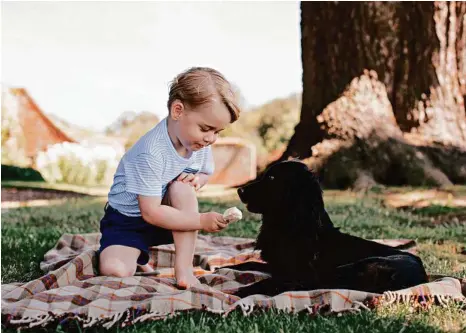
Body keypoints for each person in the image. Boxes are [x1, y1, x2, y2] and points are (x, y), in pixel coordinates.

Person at [98, 67, 241, 288]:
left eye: (217, 132)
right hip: (128, 221)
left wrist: (197, 181)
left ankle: (184, 271)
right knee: (115, 271)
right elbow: (150, 212)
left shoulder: (197, 142)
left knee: (182, 188)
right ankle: (135, 254)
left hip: (168, 217)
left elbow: (203, 173)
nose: (211, 138)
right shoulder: (151, 152)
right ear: (177, 110)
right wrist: (201, 220)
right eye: (206, 128)